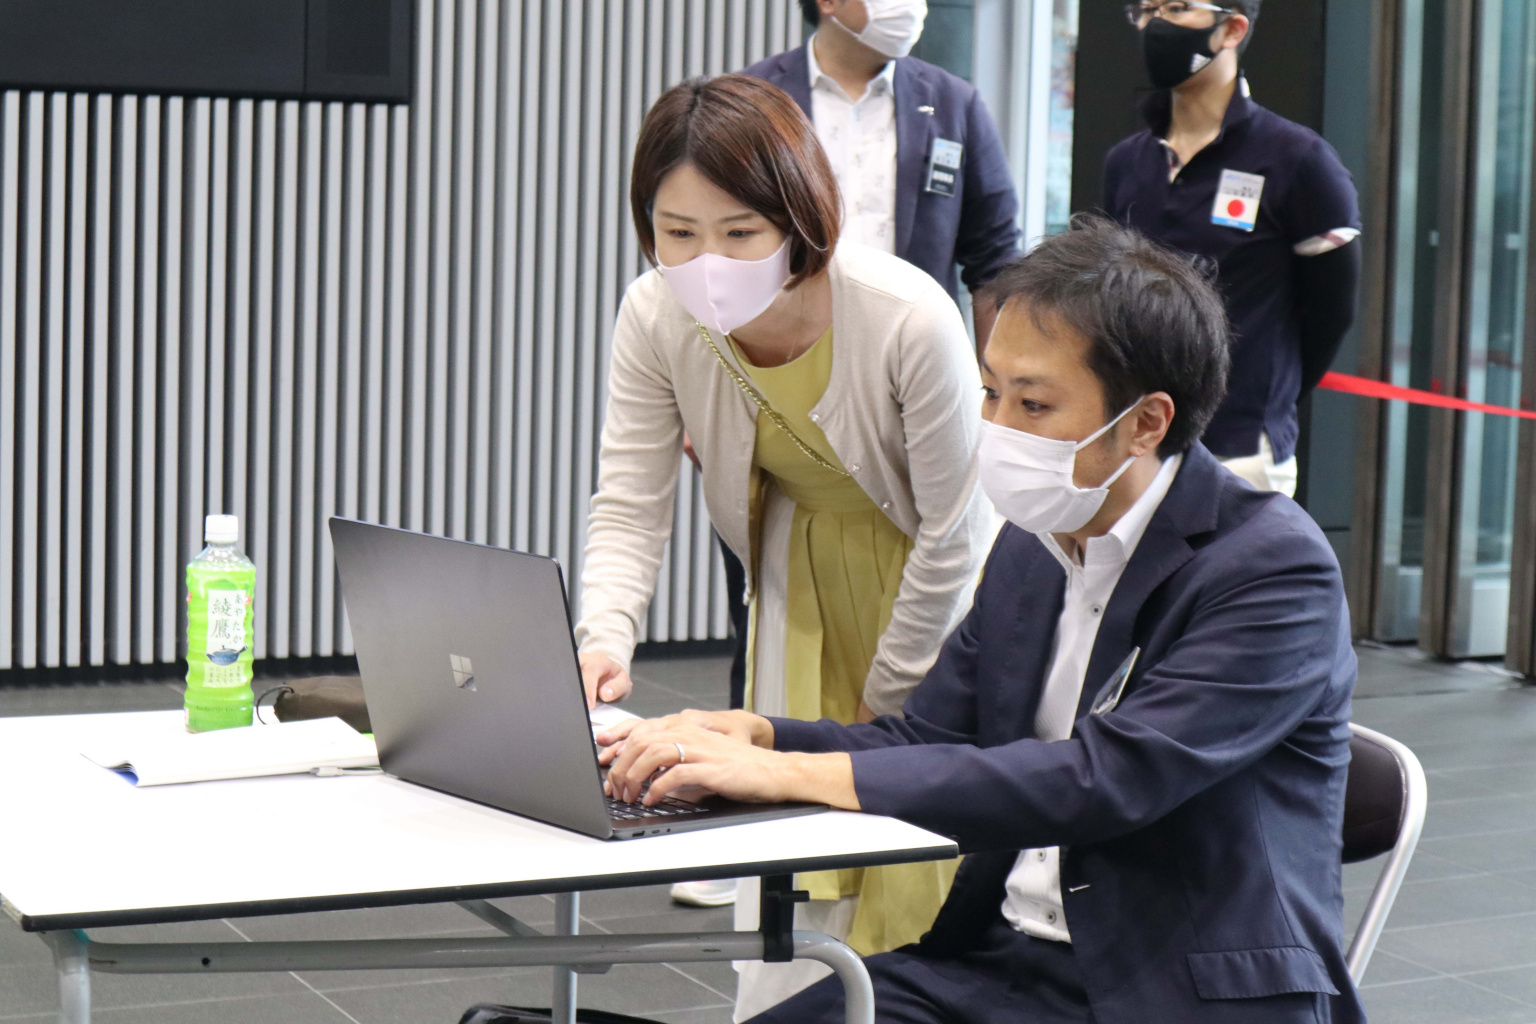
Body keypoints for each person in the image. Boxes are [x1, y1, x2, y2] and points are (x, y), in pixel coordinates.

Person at [598, 216, 1365, 1024]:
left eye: (1033, 403)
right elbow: (927, 737)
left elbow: (1105, 780)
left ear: (1146, 423)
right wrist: (762, 738)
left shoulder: (1271, 568)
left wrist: (789, 776)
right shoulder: (1033, 546)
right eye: (991, 392)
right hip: (1000, 963)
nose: (996, 429)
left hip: (1172, 989)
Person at [574, 75, 993, 1017]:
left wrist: (889, 708)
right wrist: (604, 638)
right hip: (797, 581)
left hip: (929, 589)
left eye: (740, 232)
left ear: (799, 216)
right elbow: (631, 499)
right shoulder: (655, 314)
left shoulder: (905, 314)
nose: (706, 262)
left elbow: (957, 531)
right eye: (677, 233)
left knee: (915, 832)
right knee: (791, 857)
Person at [1104, 0, 1361, 497]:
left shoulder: (1299, 159)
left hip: (1240, 452)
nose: (1156, 23)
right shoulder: (1126, 162)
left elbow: (1331, 313)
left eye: (1178, 7)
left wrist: (1267, 398)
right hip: (1134, 444)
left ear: (1232, 28)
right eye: (1146, 9)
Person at [744, 0, 1022, 346]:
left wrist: (994, 375)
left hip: (916, 349)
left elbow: (995, 258)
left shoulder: (954, 103)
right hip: (784, 347)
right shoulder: (753, 98)